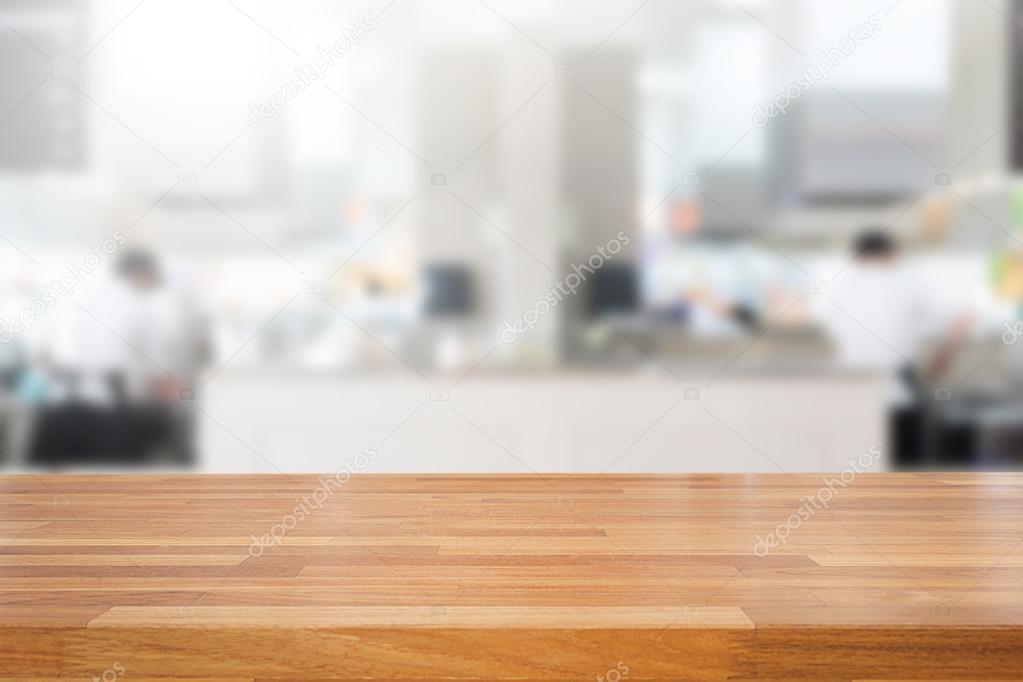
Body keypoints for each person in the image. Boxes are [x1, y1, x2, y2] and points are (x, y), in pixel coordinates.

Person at [826, 230, 971, 466]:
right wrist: (940, 361)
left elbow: (838, 341)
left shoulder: (840, 288)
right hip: (897, 398)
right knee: (904, 478)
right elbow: (961, 321)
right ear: (893, 253)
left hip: (849, 399)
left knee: (854, 474)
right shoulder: (909, 281)